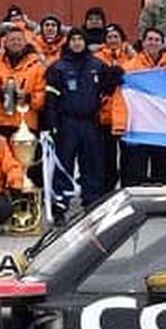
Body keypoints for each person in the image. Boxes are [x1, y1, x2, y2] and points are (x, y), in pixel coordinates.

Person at [43, 28, 113, 220]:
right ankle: (59, 208)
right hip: (68, 123)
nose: (76, 43)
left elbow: (112, 87)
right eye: (73, 39)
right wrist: (52, 124)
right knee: (63, 165)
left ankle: (92, 205)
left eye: (80, 39)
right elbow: (50, 100)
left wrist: (117, 76)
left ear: (85, 42)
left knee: (92, 165)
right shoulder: (57, 68)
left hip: (91, 124)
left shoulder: (98, 66)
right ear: (68, 43)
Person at [118, 27, 166, 185]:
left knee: (162, 170)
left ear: (162, 44)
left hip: (163, 126)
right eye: (150, 39)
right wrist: (121, 124)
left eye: (157, 40)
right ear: (143, 42)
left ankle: (162, 205)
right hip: (139, 126)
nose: (153, 43)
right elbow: (120, 96)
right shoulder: (129, 67)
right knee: (135, 171)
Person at [0, 25, 46, 135]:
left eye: (19, 39)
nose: (15, 43)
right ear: (5, 43)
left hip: (26, 125)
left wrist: (27, 97)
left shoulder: (37, 67)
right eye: (12, 39)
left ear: (25, 42)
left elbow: (43, 96)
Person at [95, 24, 134, 192]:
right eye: (109, 37)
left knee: (128, 158)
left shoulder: (132, 57)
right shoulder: (96, 58)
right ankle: (107, 191)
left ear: (122, 39)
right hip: (104, 116)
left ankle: (127, 189)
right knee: (106, 159)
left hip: (127, 116)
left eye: (115, 37)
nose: (112, 40)